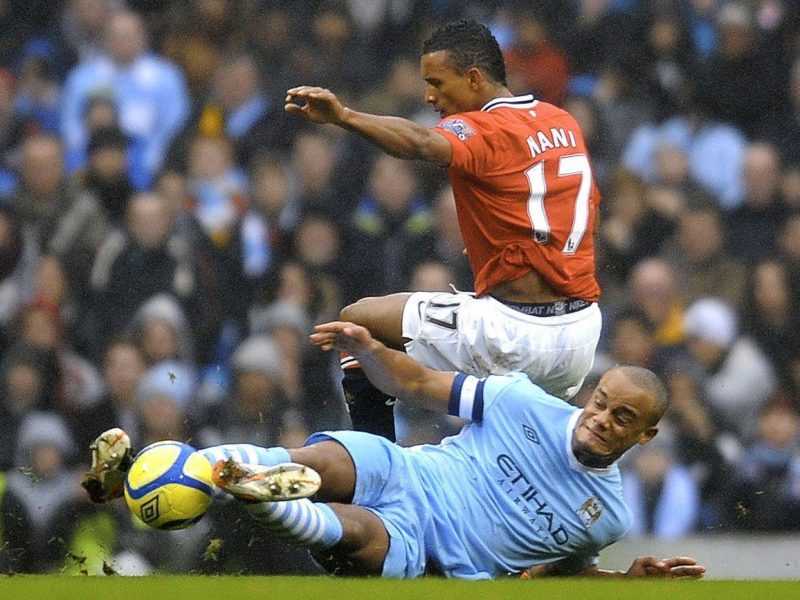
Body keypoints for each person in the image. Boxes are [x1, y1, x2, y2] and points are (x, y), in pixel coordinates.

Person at [82, 321, 705, 580]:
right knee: (324, 462)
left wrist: (623, 579)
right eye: (600, 403)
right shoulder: (522, 400)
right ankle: (155, 475)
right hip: (411, 469)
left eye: (621, 419)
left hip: (432, 551)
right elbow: (420, 386)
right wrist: (372, 348)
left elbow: (555, 579)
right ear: (592, 394)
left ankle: (255, 490)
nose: (600, 421)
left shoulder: (608, 517)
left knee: (355, 531)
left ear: (644, 436)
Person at [285, 20, 603, 440]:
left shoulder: (485, 128)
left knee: (359, 322)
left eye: (436, 82)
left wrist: (344, 117)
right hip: (581, 333)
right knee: (508, 446)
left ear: (473, 79)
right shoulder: (561, 120)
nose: (428, 95)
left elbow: (419, 143)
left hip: (515, 331)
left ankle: (373, 466)